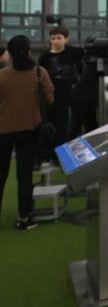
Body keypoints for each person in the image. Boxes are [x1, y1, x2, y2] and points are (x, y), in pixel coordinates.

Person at [0, 35, 55, 230]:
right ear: (29, 51)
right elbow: (49, 99)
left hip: (3, 130)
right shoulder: (40, 73)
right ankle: (24, 218)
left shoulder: (2, 76)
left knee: (1, 174)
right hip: (29, 129)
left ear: (10, 53)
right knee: (24, 176)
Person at [38, 25, 82, 158]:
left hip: (66, 96)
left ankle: (61, 156)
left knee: (64, 126)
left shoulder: (73, 53)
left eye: (59, 38)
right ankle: (48, 154)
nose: (56, 41)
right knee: (49, 125)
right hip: (49, 96)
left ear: (66, 39)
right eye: (53, 38)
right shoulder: (45, 57)